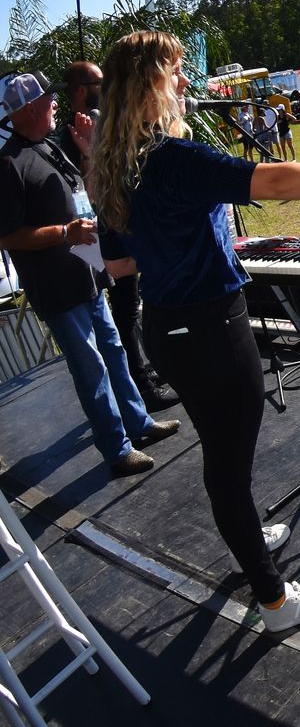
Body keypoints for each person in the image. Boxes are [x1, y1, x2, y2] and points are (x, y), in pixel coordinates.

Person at [89, 30, 300, 633]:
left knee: (223, 455)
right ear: (150, 86)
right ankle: (275, 601)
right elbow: (274, 180)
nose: (185, 82)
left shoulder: (115, 168)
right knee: (227, 462)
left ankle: (245, 532)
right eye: (174, 71)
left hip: (167, 328)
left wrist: (182, 242)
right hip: (211, 329)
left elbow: (119, 265)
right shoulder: (171, 158)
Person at [0, 71, 180, 478]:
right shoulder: (8, 164)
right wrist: (64, 233)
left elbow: (78, 191)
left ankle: (138, 423)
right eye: (47, 99)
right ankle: (117, 449)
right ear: (27, 109)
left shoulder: (49, 146)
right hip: (57, 287)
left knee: (113, 351)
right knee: (89, 365)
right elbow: (7, 236)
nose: (55, 104)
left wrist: (85, 153)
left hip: (87, 273)